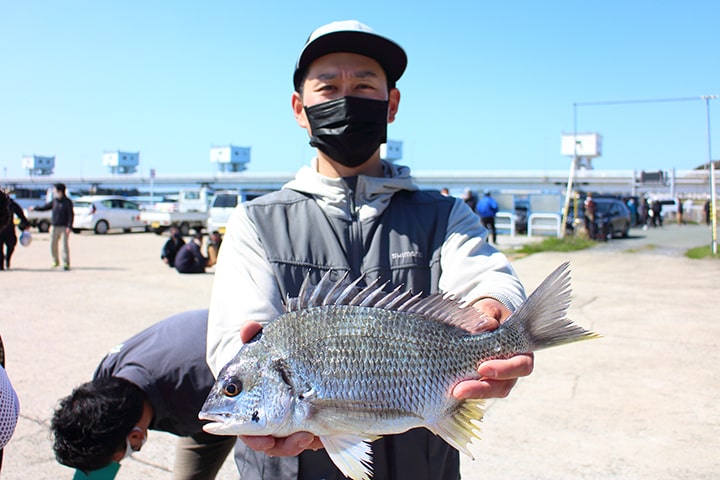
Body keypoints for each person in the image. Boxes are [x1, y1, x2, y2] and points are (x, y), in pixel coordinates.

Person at [206, 20, 531, 480]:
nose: (345, 98)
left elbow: (487, 277)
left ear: (390, 104)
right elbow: (230, 344)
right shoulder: (255, 222)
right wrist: (247, 391)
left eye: (362, 85)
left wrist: (493, 308)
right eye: (328, 87)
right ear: (300, 109)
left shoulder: (445, 214)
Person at [51, 310, 235, 480]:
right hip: (202, 410)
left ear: (135, 437)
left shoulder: (203, 384)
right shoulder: (106, 378)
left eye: (117, 458)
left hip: (239, 389)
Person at [30, 183, 74, 270]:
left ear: (60, 191)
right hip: (54, 226)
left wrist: (69, 226)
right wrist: (35, 208)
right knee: (53, 244)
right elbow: (45, 207)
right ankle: (55, 261)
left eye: (55, 190)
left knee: (64, 245)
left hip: (64, 227)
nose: (54, 192)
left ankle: (66, 263)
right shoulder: (55, 201)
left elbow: (71, 215)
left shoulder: (67, 202)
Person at [0, 192, 30, 270]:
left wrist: (26, 224)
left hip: (9, 228)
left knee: (11, 245)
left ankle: (8, 258)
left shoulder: (11, 203)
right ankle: (1, 265)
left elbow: (20, 213)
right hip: (0, 229)